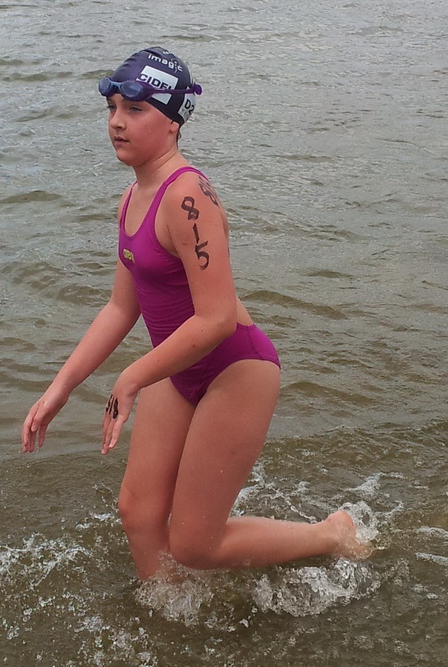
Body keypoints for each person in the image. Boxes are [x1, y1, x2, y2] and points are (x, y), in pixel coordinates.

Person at [21, 46, 371, 580]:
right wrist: (60, 389)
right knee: (138, 512)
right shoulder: (131, 198)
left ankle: (331, 533)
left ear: (173, 121)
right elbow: (121, 306)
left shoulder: (188, 197)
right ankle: (167, 610)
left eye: (135, 109)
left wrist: (131, 378)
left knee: (194, 544)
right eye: (112, 108)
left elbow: (217, 319)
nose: (116, 121)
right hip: (176, 366)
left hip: (235, 370)